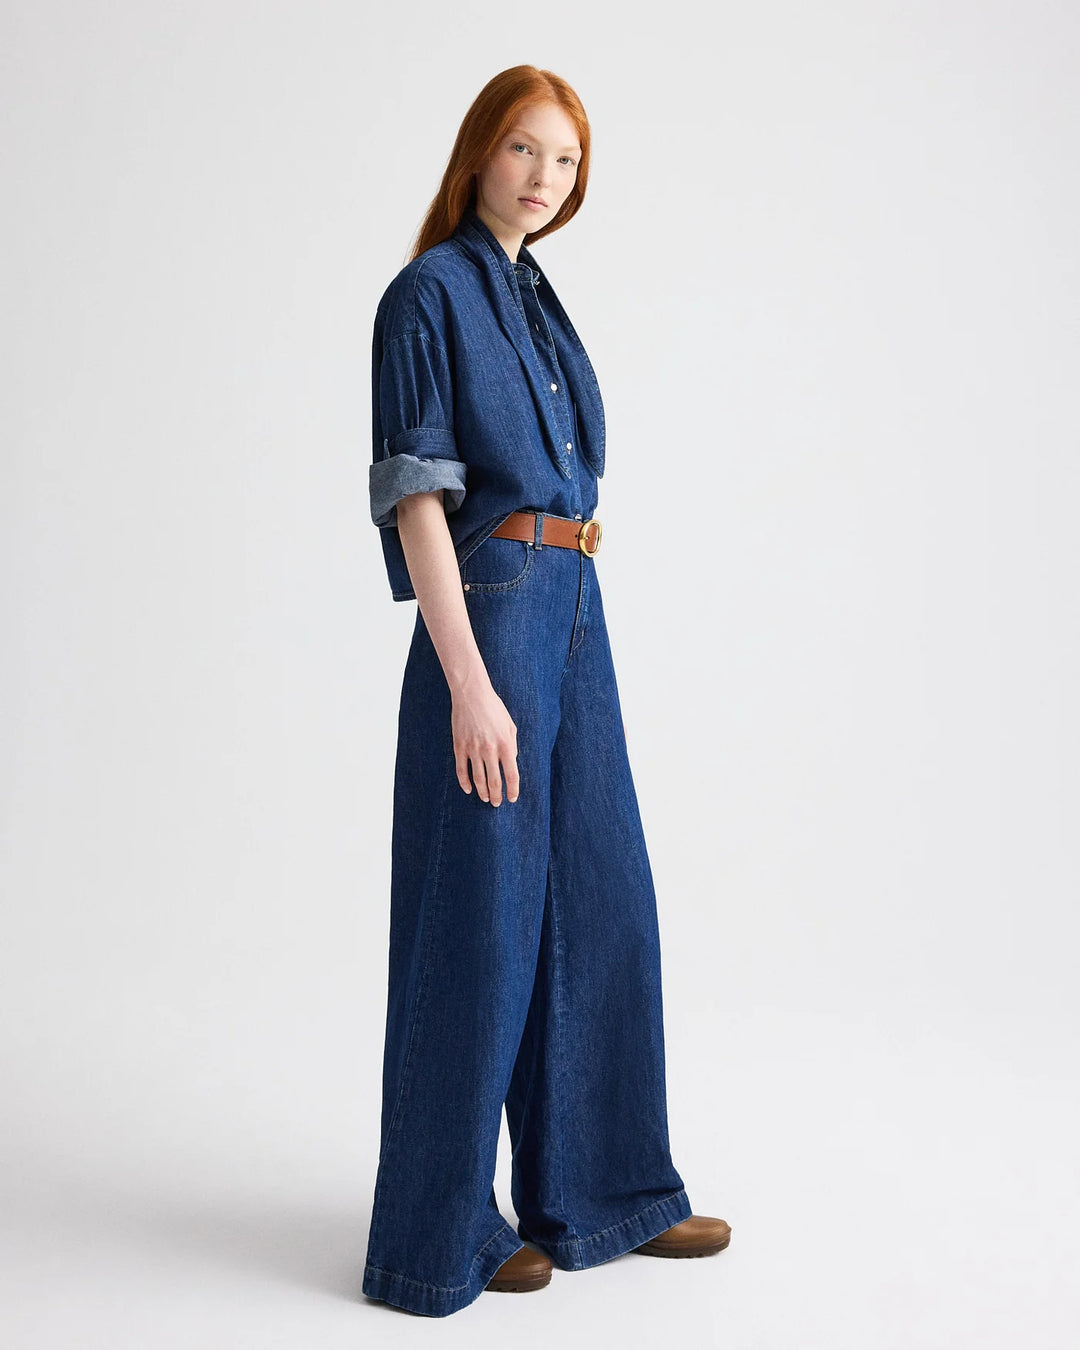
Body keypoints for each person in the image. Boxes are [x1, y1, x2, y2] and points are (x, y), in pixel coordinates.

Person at [361, 65, 731, 1319]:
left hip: (577, 614)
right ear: (478, 154)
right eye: (524, 151)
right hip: (497, 614)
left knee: (604, 894)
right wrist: (468, 682)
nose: (542, 178)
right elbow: (418, 497)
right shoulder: (427, 297)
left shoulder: (535, 296)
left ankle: (606, 1191)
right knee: (482, 917)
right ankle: (441, 1231)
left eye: (564, 162)